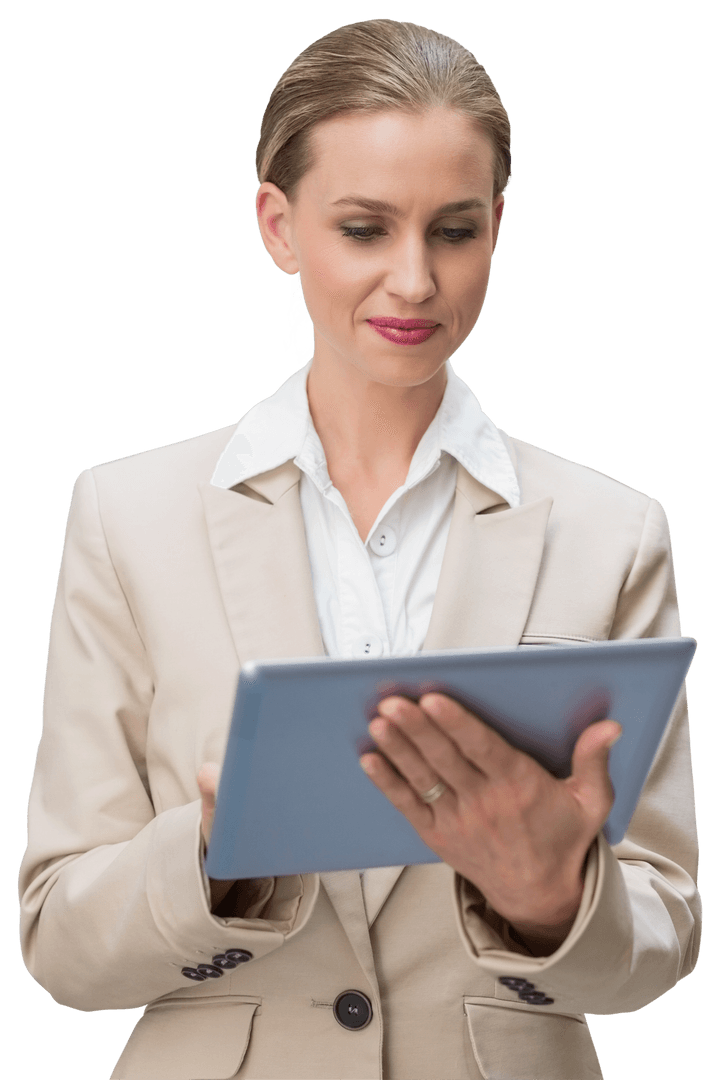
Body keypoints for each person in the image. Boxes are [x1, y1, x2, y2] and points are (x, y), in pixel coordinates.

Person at [18, 18, 701, 1080]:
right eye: (365, 228)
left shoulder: (613, 531)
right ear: (279, 227)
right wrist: (209, 859)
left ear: (499, 226)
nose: (416, 281)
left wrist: (552, 898)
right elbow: (59, 946)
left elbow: (662, 946)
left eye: (456, 231)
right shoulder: (127, 514)